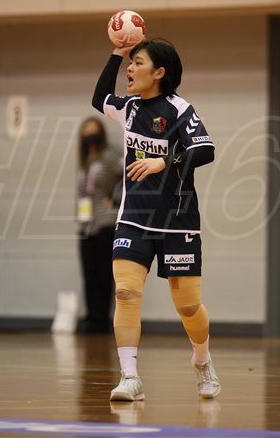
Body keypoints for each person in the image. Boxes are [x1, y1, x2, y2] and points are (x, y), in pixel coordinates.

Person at [92, 38, 220, 401]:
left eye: (138, 63)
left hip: (178, 220)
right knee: (126, 293)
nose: (130, 70)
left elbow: (205, 150)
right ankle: (130, 377)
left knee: (188, 306)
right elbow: (100, 97)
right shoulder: (129, 108)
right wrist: (116, 53)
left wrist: (163, 161)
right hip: (134, 217)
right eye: (129, 63)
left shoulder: (179, 109)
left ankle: (202, 360)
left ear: (159, 72)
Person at [76, 116, 122, 334]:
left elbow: (129, 175)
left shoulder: (110, 156)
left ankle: (102, 319)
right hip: (87, 224)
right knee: (89, 273)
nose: (90, 135)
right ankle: (92, 317)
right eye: (86, 132)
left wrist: (115, 198)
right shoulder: (85, 161)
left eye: (94, 131)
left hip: (106, 222)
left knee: (105, 274)